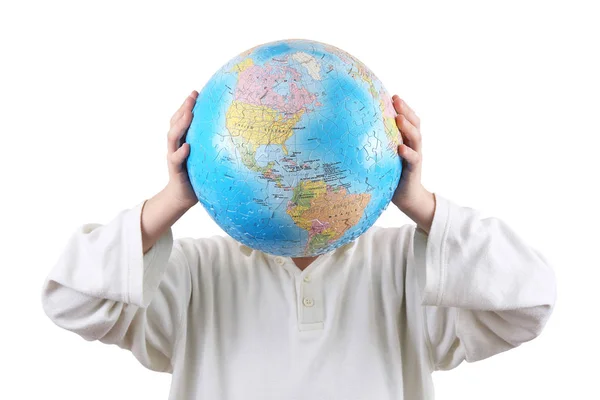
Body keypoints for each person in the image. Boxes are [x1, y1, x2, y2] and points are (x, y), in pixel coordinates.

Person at [41, 90, 557, 399]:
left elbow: (529, 301)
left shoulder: (409, 266)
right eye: (279, 152)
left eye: (317, 149)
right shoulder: (196, 271)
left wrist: (419, 202)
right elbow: (69, 299)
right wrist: (173, 198)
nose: (295, 168)